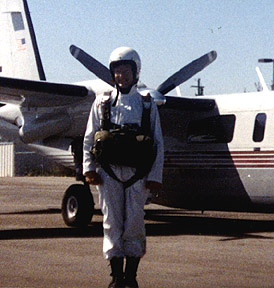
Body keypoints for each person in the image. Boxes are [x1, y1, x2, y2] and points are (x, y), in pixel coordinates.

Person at [83, 47, 164, 288]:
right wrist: (89, 168)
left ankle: (131, 277)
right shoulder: (101, 103)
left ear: (135, 72)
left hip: (138, 175)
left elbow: (158, 142)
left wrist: (155, 176)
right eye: (117, 72)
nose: (121, 76)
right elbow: (89, 138)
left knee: (135, 223)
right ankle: (116, 278)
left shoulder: (148, 105)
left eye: (126, 71)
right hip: (109, 174)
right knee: (111, 223)